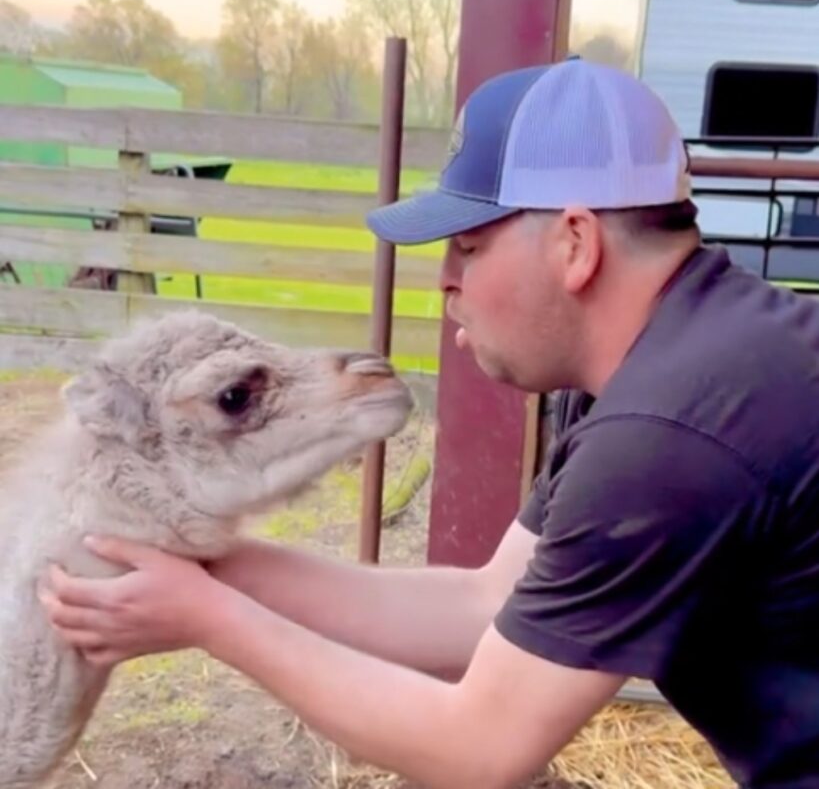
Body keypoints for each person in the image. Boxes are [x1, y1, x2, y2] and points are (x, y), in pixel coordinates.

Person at [42, 59, 819, 789]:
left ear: (575, 243)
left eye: (469, 246)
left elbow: (478, 746)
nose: (446, 280)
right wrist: (216, 572)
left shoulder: (669, 432)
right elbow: (482, 606)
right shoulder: (682, 358)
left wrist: (211, 620)